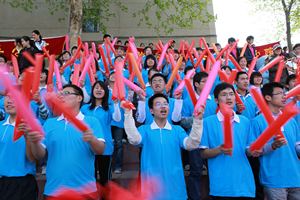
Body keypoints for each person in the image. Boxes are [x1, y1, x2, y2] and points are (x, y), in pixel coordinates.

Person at [26, 84, 105, 198]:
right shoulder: (50, 123)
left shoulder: (91, 121)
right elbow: (39, 155)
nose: (62, 96)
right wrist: (34, 142)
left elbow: (100, 150)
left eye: (66, 93)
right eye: (61, 94)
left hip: (85, 191)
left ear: (79, 98)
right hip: (54, 191)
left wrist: (92, 139)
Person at [123, 93, 204, 200]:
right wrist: (128, 113)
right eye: (158, 104)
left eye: (165, 104)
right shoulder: (144, 130)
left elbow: (191, 144)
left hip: (175, 188)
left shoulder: (177, 130)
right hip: (151, 189)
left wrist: (198, 121)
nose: (163, 106)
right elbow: (134, 139)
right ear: (151, 111)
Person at [200, 82, 256, 199]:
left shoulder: (244, 121)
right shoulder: (207, 122)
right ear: (216, 100)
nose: (229, 97)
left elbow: (249, 150)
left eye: (231, 94)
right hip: (221, 186)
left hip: (245, 184)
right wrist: (219, 149)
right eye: (224, 94)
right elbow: (203, 153)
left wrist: (255, 150)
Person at [249, 82, 300, 200]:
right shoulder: (257, 122)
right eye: (280, 93)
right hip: (274, 180)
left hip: (295, 177)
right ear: (268, 97)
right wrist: (273, 146)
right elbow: (252, 151)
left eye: (284, 93)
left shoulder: (291, 121)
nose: (284, 96)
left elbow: (297, 146)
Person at [81, 81, 121, 183]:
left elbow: (117, 119)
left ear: (106, 92)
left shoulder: (109, 109)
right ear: (92, 91)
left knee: (105, 179)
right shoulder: (85, 108)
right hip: (87, 147)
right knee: (89, 179)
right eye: (96, 88)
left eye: (101, 88)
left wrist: (116, 104)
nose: (99, 90)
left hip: (105, 147)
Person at [0, 93, 38, 200]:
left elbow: (33, 158)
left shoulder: (33, 125)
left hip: (21, 184)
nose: (9, 101)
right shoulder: (1, 126)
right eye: (7, 97)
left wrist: (28, 136)